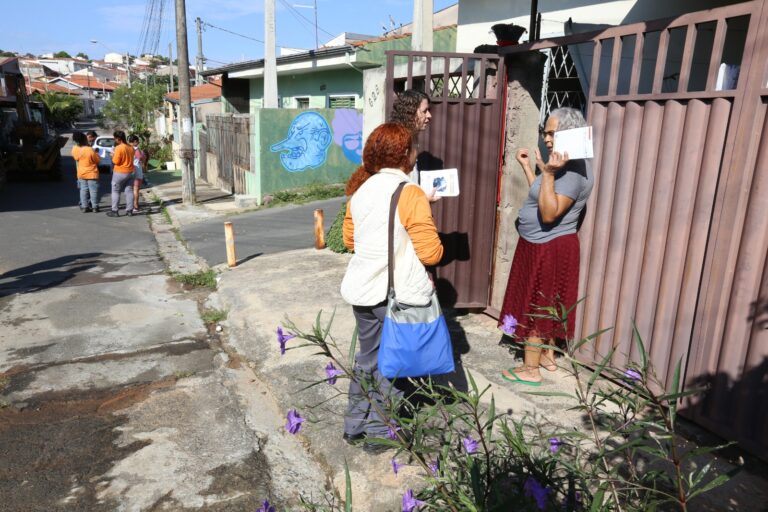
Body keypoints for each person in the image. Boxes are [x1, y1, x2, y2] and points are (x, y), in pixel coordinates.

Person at [340, 123, 443, 448]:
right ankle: (380, 434)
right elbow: (432, 252)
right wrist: (422, 211)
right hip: (394, 296)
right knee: (392, 368)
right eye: (413, 149)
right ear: (405, 155)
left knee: (367, 360)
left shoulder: (360, 191)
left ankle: (354, 425)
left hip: (363, 291)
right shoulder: (409, 193)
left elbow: (349, 240)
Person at [499, 107, 594, 385]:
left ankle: (530, 370)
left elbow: (550, 213)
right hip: (538, 243)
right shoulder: (560, 164)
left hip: (549, 246)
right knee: (544, 300)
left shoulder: (573, 170)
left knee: (538, 304)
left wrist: (549, 174)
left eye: (553, 133)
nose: (547, 138)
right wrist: (532, 170)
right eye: (546, 132)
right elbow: (540, 198)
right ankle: (547, 357)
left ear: (569, 134)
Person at [389, 89, 431, 187]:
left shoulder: (412, 135)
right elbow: (394, 184)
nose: (429, 115)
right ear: (410, 112)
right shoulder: (396, 140)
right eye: (424, 111)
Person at [108, 130, 135, 217]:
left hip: (120, 172)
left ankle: (115, 211)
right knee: (129, 191)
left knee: (115, 191)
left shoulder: (119, 148)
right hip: (130, 172)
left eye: (115, 138)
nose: (114, 140)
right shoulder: (131, 147)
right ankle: (130, 210)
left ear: (118, 138)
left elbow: (116, 161)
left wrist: (112, 156)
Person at [71, 131, 100, 212]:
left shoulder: (75, 149)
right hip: (92, 173)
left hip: (81, 173)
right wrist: (97, 153)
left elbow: (76, 158)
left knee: (83, 190)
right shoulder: (89, 150)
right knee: (93, 191)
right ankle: (95, 207)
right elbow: (97, 160)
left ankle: (84, 206)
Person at [128, 134, 146, 213]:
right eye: (138, 141)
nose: (138, 143)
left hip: (128, 171)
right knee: (136, 190)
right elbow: (141, 159)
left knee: (129, 190)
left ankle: (130, 206)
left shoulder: (126, 148)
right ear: (135, 141)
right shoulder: (136, 150)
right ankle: (135, 206)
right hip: (137, 171)